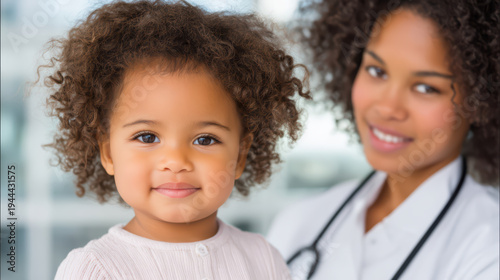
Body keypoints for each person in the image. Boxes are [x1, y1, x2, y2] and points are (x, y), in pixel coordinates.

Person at [37, 0, 311, 279]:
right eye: (147, 136)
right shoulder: (96, 269)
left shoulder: (263, 259)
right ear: (108, 153)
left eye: (205, 140)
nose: (176, 162)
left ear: (239, 156)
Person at [267, 0, 499, 279]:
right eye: (377, 71)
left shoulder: (489, 248)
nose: (388, 108)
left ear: (481, 100)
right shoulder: (301, 221)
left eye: (426, 88)